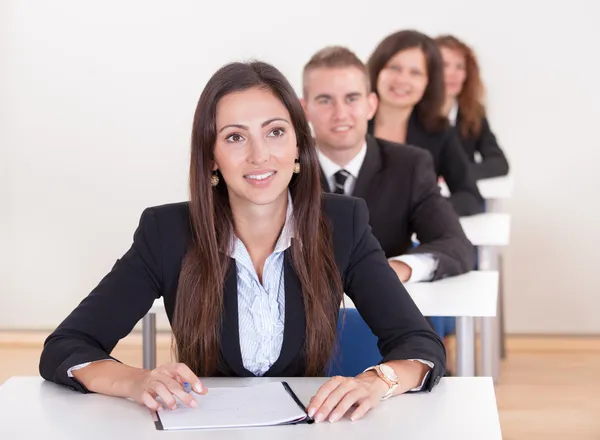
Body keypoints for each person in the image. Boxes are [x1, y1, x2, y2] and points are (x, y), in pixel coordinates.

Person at [39, 61, 446, 423]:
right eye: (235, 137)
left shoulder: (343, 223)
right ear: (211, 156)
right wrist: (136, 380)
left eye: (275, 132)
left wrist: (379, 380)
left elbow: (419, 344)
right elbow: (67, 346)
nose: (259, 155)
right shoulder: (166, 232)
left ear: (299, 146)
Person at [301, 46, 475, 285]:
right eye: (325, 100)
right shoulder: (282, 167)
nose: (340, 114)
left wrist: (397, 269)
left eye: (352, 99)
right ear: (304, 109)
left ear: (371, 105)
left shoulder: (409, 166)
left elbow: (456, 246)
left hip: (383, 315)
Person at [367, 30, 484, 216]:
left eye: (415, 73)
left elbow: (470, 197)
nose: (402, 80)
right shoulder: (350, 121)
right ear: (377, 70)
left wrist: (425, 210)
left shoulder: (438, 131)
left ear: (428, 82)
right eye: (394, 68)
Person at [435, 34, 509, 180]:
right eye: (444, 66)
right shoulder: (411, 112)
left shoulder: (472, 113)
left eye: (459, 67)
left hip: (461, 196)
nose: (452, 74)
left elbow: (499, 163)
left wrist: (457, 173)